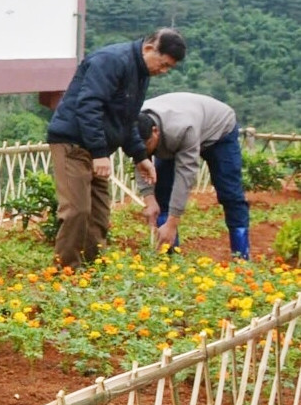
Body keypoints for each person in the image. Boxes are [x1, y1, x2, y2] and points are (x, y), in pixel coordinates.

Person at [45, 28, 186, 267]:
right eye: (163, 64)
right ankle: (66, 273)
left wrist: (140, 156)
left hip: (97, 148)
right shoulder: (111, 61)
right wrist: (99, 153)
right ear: (149, 48)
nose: (163, 71)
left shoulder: (140, 74)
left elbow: (127, 119)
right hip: (73, 144)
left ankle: (93, 269)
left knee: (99, 215)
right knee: (76, 212)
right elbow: (89, 106)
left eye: (168, 68)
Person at [135, 92, 249, 258]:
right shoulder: (131, 125)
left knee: (230, 193)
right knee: (162, 192)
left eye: (147, 146)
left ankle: (241, 256)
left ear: (155, 131)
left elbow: (185, 177)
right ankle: (170, 256)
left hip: (218, 130)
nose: (145, 151)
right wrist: (149, 199)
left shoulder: (182, 129)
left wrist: (173, 223)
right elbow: (140, 160)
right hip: (179, 129)